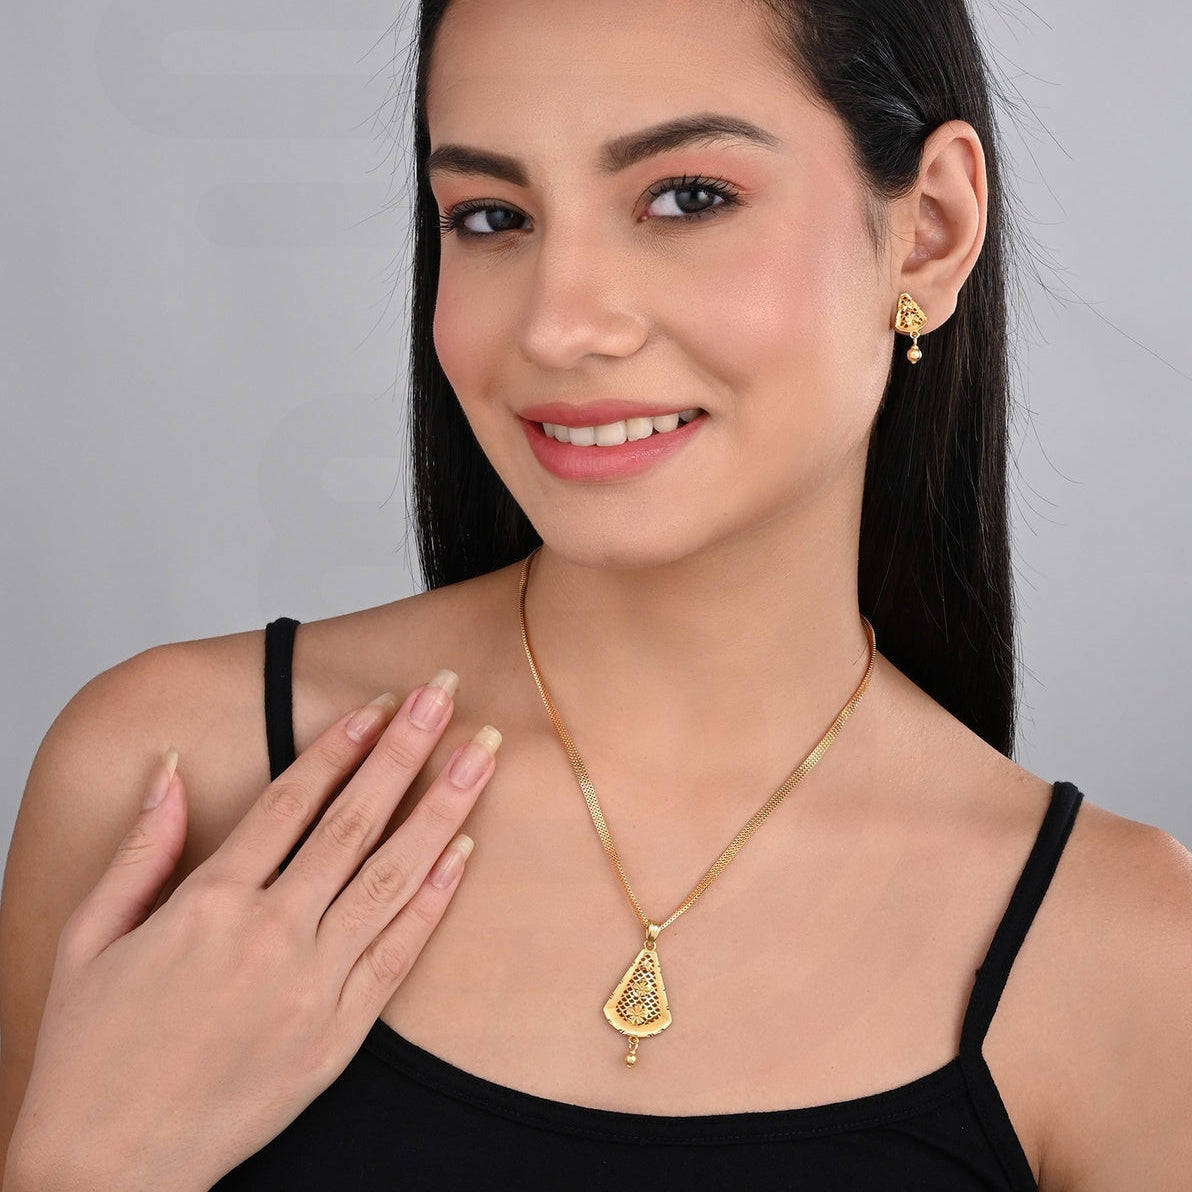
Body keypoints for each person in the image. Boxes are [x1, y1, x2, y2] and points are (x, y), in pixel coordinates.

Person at [2, 0, 1190, 1187]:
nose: (558, 325)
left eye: (686, 197)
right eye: (491, 216)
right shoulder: (170, 786)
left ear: (929, 230)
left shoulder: (1126, 955)